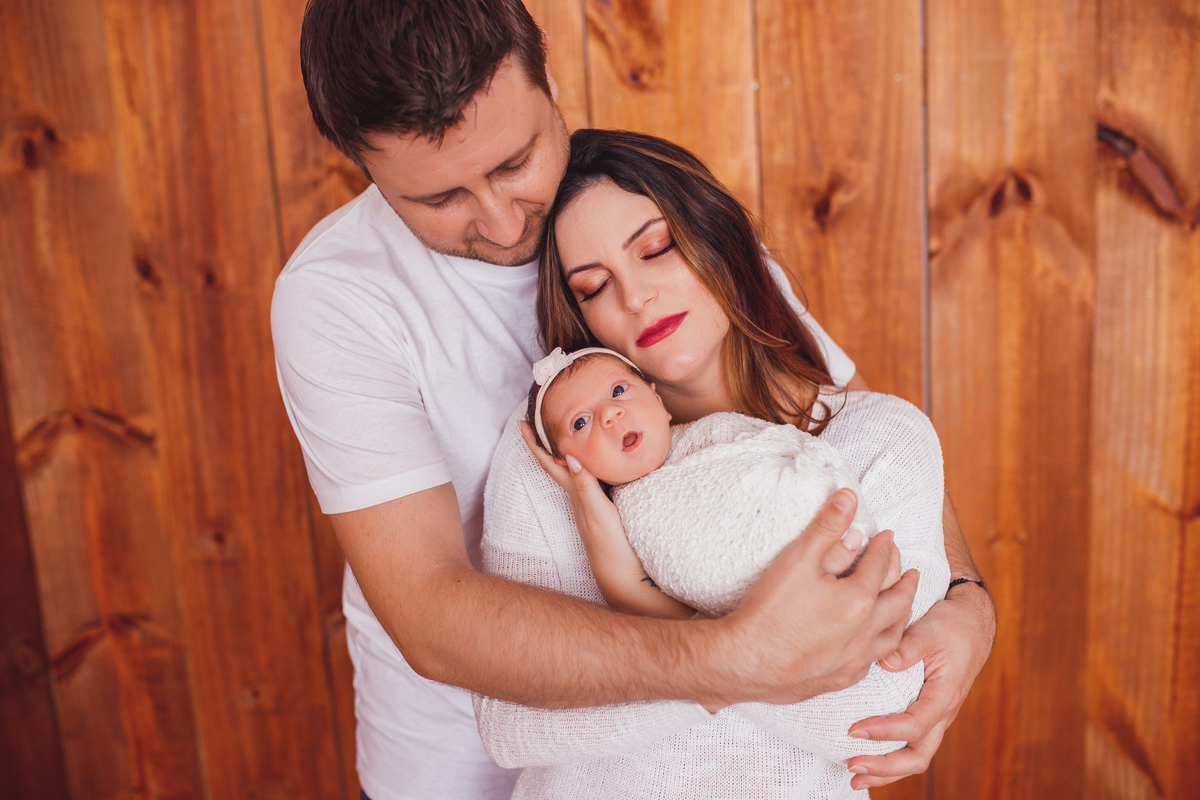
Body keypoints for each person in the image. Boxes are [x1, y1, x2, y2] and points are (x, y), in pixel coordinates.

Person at [272, 2, 995, 798]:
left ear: (545, 69)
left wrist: (965, 600)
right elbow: (429, 610)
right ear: (363, 168)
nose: (503, 219)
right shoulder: (337, 301)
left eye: (516, 161)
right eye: (439, 200)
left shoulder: (649, 213)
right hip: (459, 762)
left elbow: (844, 423)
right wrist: (727, 657)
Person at [473, 130, 951, 798]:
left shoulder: (878, 439)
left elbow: (875, 720)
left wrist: (648, 609)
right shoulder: (560, 454)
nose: (635, 296)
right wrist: (776, 658)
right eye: (593, 286)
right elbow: (511, 722)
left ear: (720, 240)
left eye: (656, 248)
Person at [525, 346, 886, 617]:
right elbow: (651, 588)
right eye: (580, 423)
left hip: (825, 527)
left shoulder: (712, 429)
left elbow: (782, 443)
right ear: (567, 460)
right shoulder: (622, 514)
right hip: (762, 615)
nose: (610, 415)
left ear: (657, 398)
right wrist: (582, 490)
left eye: (619, 391)